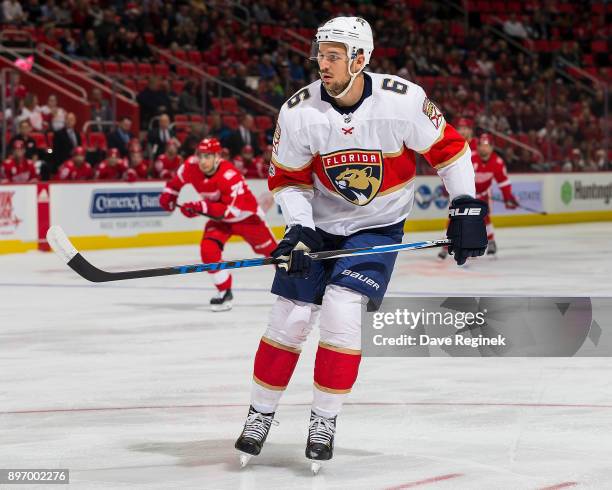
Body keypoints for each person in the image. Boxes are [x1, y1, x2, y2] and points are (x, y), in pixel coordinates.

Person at [233, 16, 488, 471]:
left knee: (341, 312)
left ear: (361, 58)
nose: (322, 64)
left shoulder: (403, 101)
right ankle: (260, 414)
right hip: (319, 228)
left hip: (377, 228)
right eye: (320, 55)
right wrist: (298, 228)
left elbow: (450, 152)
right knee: (288, 319)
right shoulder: (298, 111)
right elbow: (287, 178)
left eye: (333, 56)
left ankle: (324, 420)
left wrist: (465, 204)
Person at [158, 137, 277, 311]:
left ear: (218, 156)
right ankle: (224, 292)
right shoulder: (190, 167)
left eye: (208, 156)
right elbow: (174, 184)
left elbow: (229, 212)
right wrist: (169, 196)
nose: (203, 161)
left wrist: (200, 207)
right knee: (208, 250)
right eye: (201, 156)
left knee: (273, 253)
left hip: (247, 219)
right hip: (220, 222)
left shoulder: (230, 176)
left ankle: (296, 287)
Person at [440, 133, 517, 259]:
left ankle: (491, 241)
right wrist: (447, 186)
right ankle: (446, 244)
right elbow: (455, 171)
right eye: (481, 145)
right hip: (466, 193)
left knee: (484, 216)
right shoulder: (470, 157)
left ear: (492, 147)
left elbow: (503, 182)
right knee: (455, 217)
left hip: (483, 194)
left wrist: (508, 197)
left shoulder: (497, 162)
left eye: (487, 145)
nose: (484, 148)